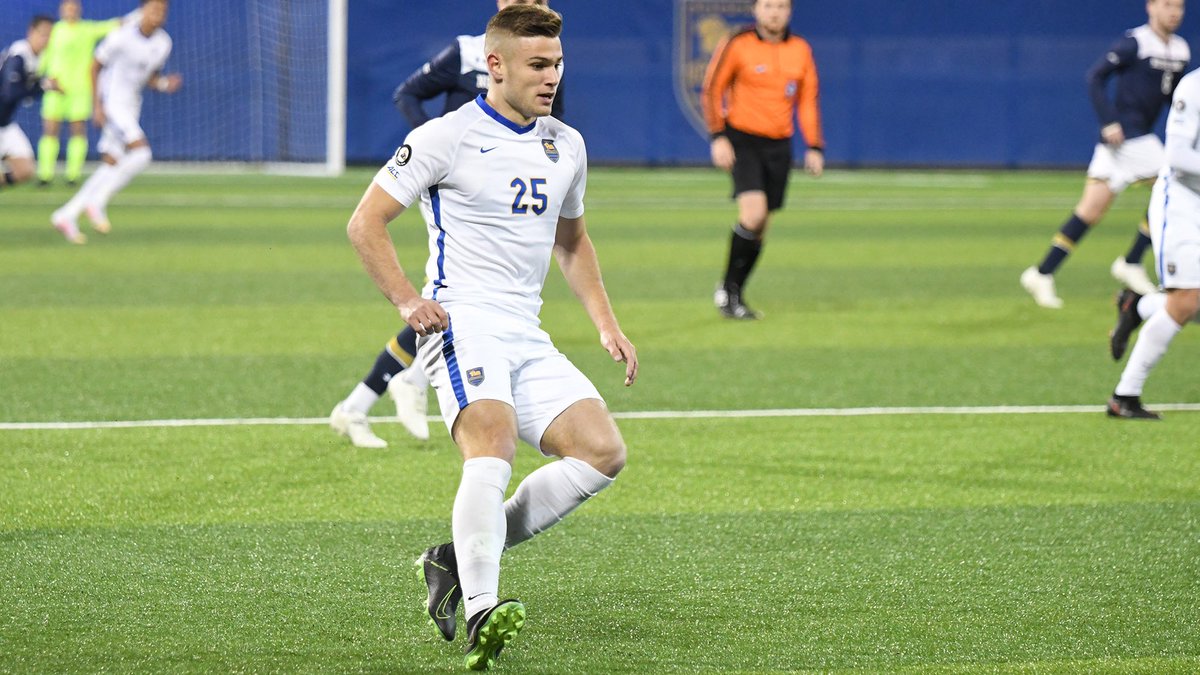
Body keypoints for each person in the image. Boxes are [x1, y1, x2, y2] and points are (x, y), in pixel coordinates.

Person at [346, 5, 636, 669]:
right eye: (537, 65)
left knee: (602, 452)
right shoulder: (446, 136)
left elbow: (572, 241)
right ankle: (481, 608)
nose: (551, 77)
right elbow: (366, 221)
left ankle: (454, 557)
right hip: (460, 321)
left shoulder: (566, 144)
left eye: (557, 64)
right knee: (493, 441)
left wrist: (606, 322)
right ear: (495, 65)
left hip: (525, 331)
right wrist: (407, 299)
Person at [330, 0, 560, 449]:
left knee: (456, 304)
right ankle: (406, 383)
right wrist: (436, 148)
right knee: (463, 298)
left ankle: (362, 402)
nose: (535, 6)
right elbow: (407, 94)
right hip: (459, 190)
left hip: (507, 193)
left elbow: (549, 124)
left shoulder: (544, 61)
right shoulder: (467, 52)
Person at [1021, 0, 1189, 309]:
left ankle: (1041, 272)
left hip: (1135, 139)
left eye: (1179, 6)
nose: (1174, 12)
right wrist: (1109, 120)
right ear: (1150, 7)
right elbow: (1095, 76)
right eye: (1167, 4)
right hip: (1127, 136)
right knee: (1176, 187)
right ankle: (1132, 261)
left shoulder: (1180, 49)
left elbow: (1176, 98)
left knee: (1090, 210)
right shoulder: (1135, 42)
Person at [700, 0, 824, 320]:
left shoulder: (800, 49)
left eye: (781, 6)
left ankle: (733, 292)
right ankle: (728, 291)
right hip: (744, 139)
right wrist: (718, 136)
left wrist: (814, 145)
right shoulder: (738, 43)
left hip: (779, 145)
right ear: (755, 10)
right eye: (768, 5)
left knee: (761, 227)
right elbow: (713, 89)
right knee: (753, 215)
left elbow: (807, 100)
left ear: (790, 12)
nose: (774, 12)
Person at [1106, 65, 1200, 420]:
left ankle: (1139, 306)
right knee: (1187, 299)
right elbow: (1177, 156)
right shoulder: (1194, 87)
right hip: (1183, 203)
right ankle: (1124, 397)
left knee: (1190, 303)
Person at [49, 0, 179, 245]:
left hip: (132, 105)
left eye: (162, 11)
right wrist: (97, 106)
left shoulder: (164, 43)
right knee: (142, 154)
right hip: (112, 103)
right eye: (153, 9)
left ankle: (66, 214)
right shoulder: (121, 36)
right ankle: (97, 201)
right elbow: (94, 67)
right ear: (142, 10)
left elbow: (149, 77)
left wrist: (163, 84)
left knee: (111, 164)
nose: (158, 15)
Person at [392, 0, 562, 129]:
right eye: (521, 2)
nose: (532, 10)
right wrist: (430, 137)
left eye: (539, 2)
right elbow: (407, 94)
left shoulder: (553, 63)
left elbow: (552, 119)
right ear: (501, 4)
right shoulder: (466, 51)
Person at [36, 1, 135, 188]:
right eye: (67, 7)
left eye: (74, 7)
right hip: (55, 88)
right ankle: (45, 175)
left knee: (77, 130)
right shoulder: (54, 31)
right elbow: (44, 56)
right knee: (50, 129)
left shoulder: (87, 29)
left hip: (80, 89)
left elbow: (113, 25)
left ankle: (73, 175)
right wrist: (41, 77)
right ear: (61, 10)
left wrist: (138, 16)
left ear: (79, 10)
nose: (70, 11)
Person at [0, 16, 57, 193]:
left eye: (49, 35)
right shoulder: (19, 55)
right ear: (31, 32)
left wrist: (43, 85)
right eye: (42, 34)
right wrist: (43, 87)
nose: (45, 39)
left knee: (25, 170)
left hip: (5, 123)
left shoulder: (38, 57)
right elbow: (10, 93)